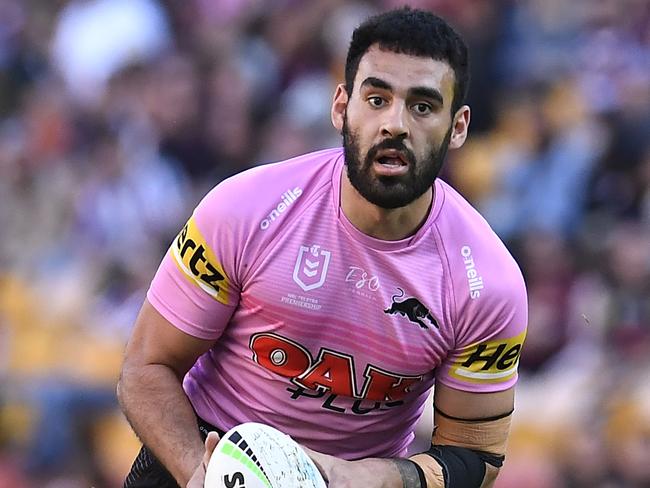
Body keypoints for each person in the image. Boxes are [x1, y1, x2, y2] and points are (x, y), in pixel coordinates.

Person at [117, 7, 528, 488]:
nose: (394, 124)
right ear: (341, 107)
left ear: (458, 127)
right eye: (376, 99)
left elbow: (474, 457)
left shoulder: (487, 284)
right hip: (203, 458)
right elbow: (146, 368)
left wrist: (365, 478)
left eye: (422, 106)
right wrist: (202, 474)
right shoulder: (244, 210)